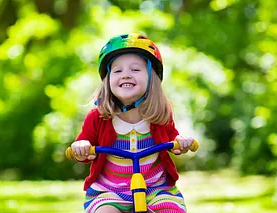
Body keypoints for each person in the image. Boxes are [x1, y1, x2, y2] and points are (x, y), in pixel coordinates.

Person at [71, 33, 195, 213]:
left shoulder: (160, 114)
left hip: (156, 187)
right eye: (118, 70)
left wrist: (181, 143)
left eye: (135, 70)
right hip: (110, 190)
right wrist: (81, 147)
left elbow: (173, 139)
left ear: (152, 78)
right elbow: (83, 148)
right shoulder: (98, 117)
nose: (126, 75)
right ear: (108, 79)